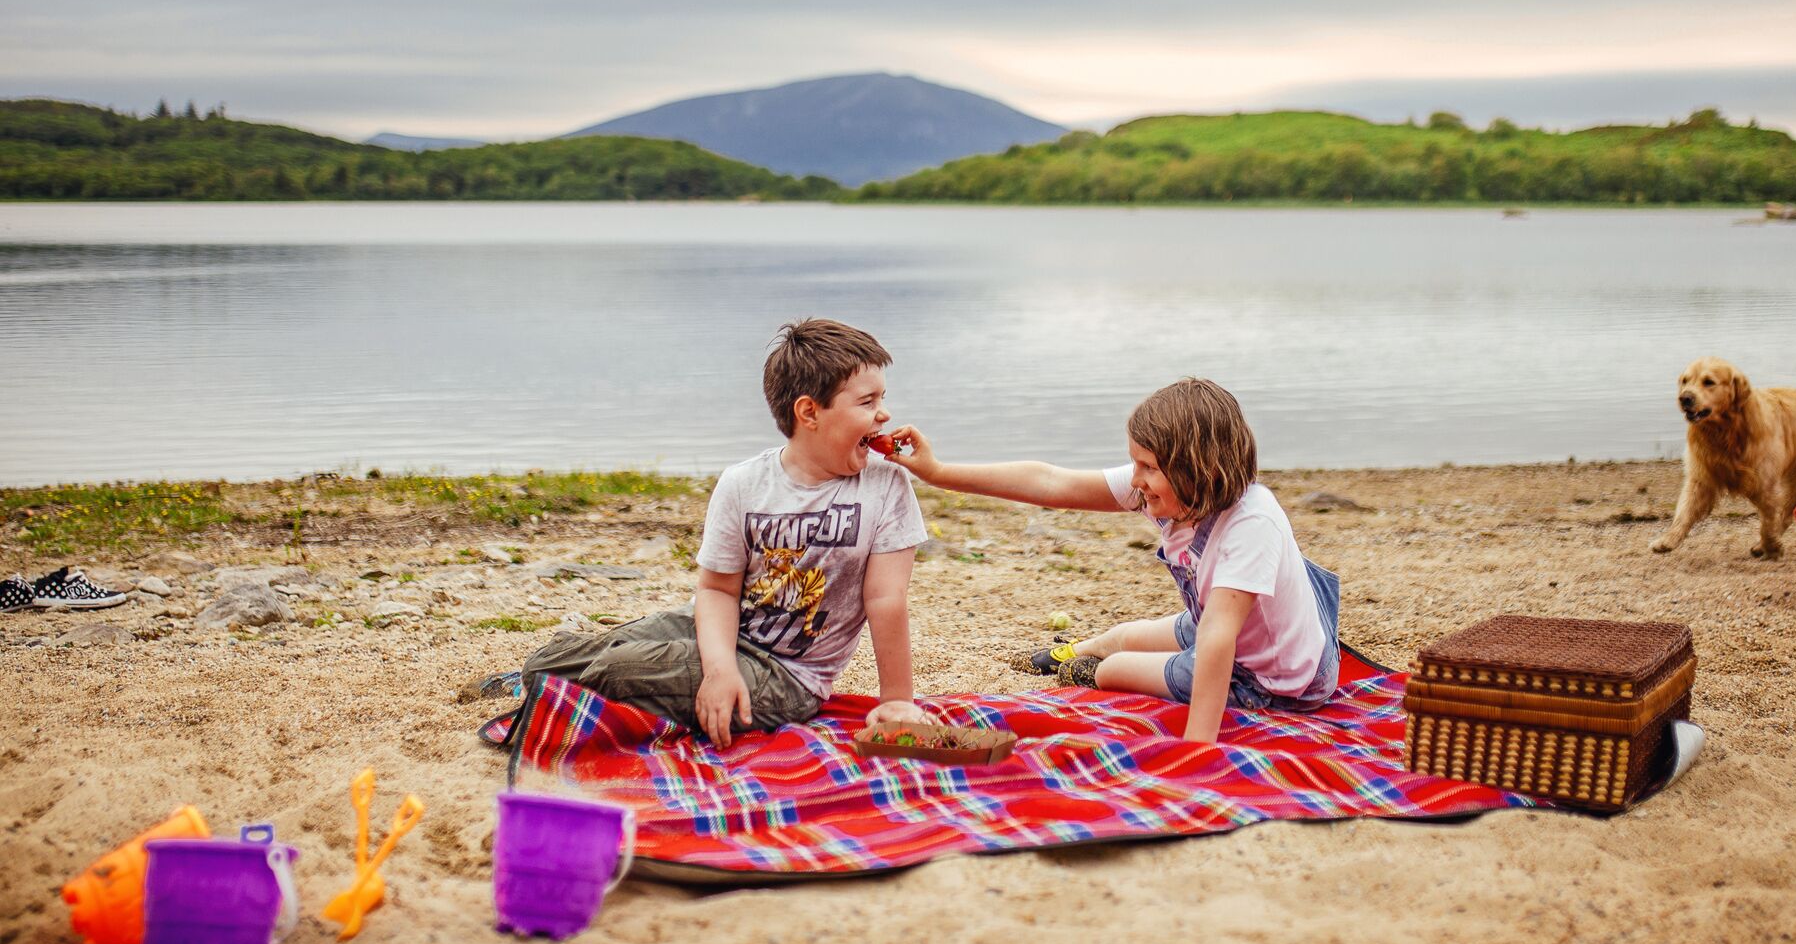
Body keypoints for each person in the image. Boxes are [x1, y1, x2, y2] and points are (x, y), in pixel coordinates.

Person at [507, 318, 931, 746]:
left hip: (784, 675)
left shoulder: (884, 485)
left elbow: (885, 598)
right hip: (714, 630)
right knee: (545, 664)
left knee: (616, 670)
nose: (884, 414)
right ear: (809, 412)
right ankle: (572, 685)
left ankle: (589, 690)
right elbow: (718, 591)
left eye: (883, 398)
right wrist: (719, 668)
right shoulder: (743, 483)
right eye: (867, 401)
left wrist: (897, 699)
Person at [888, 378, 1340, 743]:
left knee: (1121, 667)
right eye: (1135, 465)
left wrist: (1198, 748)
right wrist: (939, 473)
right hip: (1234, 628)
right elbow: (1050, 483)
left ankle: (1094, 669)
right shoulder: (1176, 490)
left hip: (1271, 680)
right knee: (1125, 634)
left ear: (1196, 468)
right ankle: (1081, 648)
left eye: (1147, 467)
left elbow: (1218, 639)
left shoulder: (1250, 524)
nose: (1136, 480)